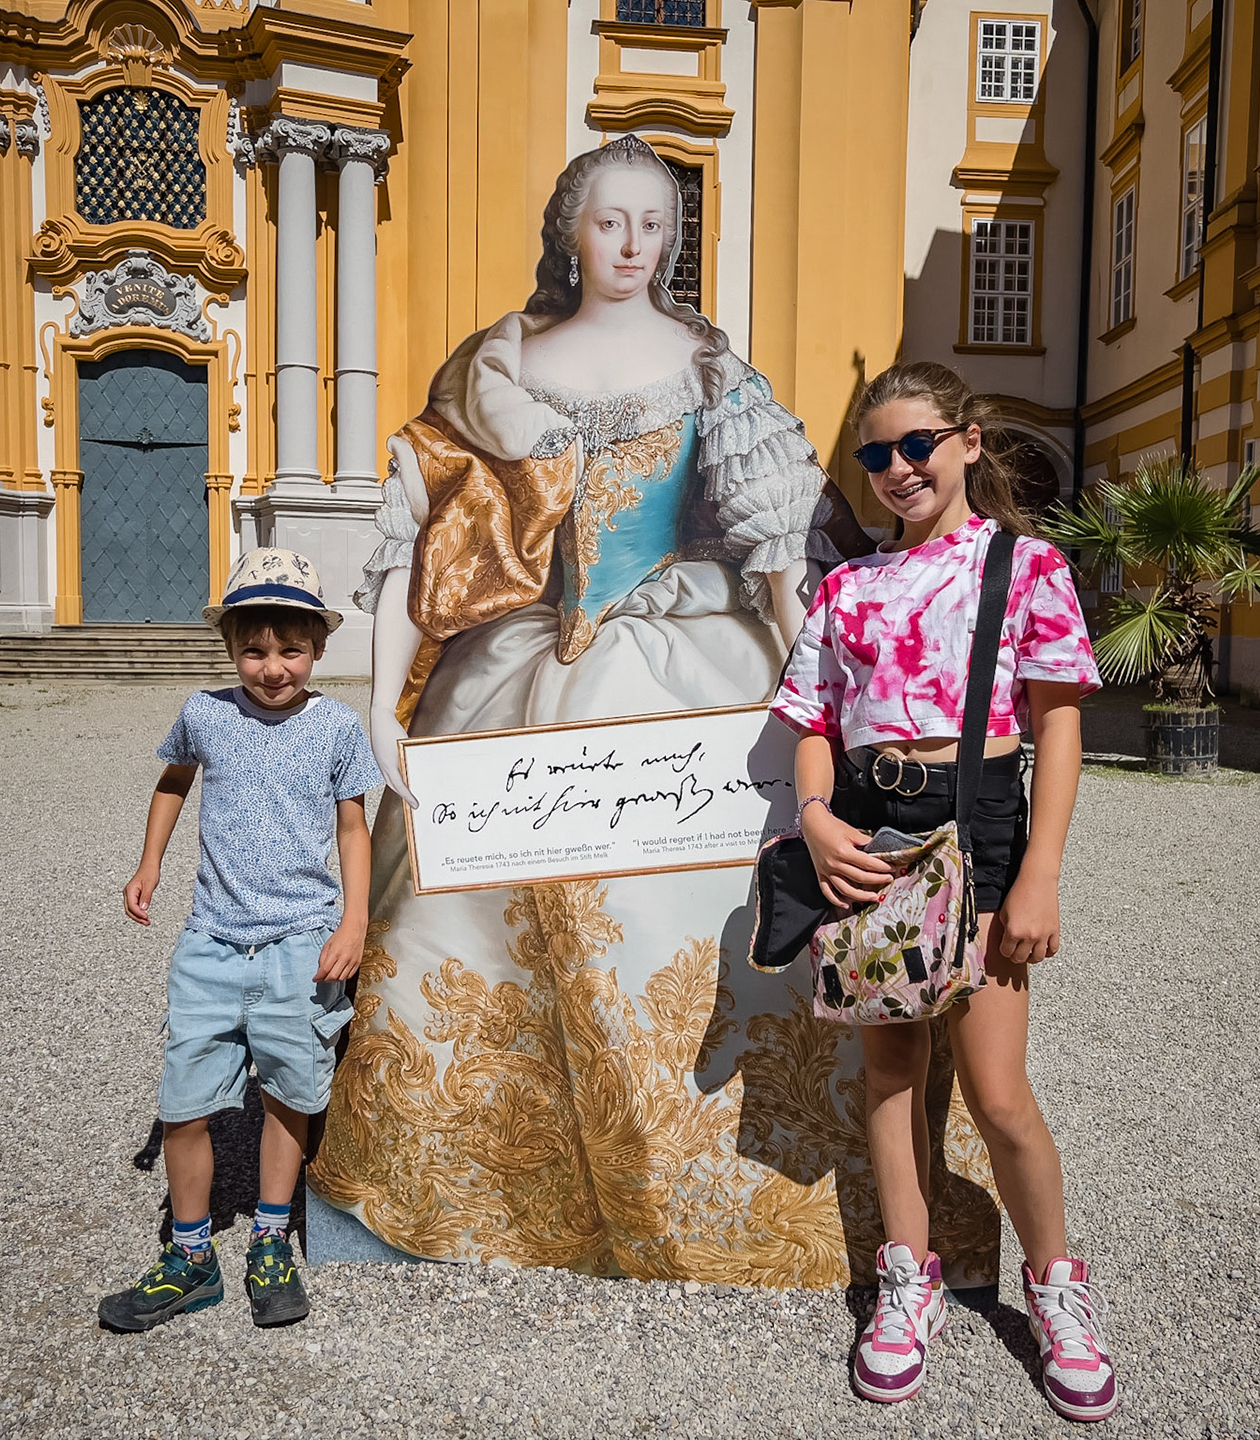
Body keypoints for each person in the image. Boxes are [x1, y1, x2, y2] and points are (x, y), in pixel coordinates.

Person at [305, 136, 900, 1286]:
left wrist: (809, 691)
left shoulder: (709, 369)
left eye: (656, 224)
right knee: (449, 901)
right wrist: (382, 703)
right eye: (613, 221)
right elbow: (423, 544)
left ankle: (708, 1173)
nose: (635, 245)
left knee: (694, 903)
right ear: (569, 230)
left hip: (684, 662)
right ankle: (480, 1175)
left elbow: (779, 547)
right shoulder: (498, 369)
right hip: (516, 664)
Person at [769, 362, 1117, 1419]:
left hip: (983, 825)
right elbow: (815, 722)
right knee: (891, 1073)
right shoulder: (849, 586)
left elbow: (1059, 727)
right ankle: (905, 1278)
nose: (897, 468)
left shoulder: (1026, 565)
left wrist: (1040, 875)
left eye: (917, 444)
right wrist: (816, 818)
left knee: (998, 1093)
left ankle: (1055, 1289)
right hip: (871, 832)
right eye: (876, 454)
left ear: (968, 441)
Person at [98, 548, 381, 1333]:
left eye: (290, 650)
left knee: (288, 1093)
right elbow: (174, 779)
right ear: (230, 647)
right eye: (253, 650)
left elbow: (353, 829)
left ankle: (269, 1238)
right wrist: (149, 862)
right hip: (211, 942)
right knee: (184, 1102)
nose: (272, 668)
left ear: (318, 647)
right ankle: (191, 1256)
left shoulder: (336, 726)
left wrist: (354, 923)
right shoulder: (204, 713)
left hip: (301, 943)